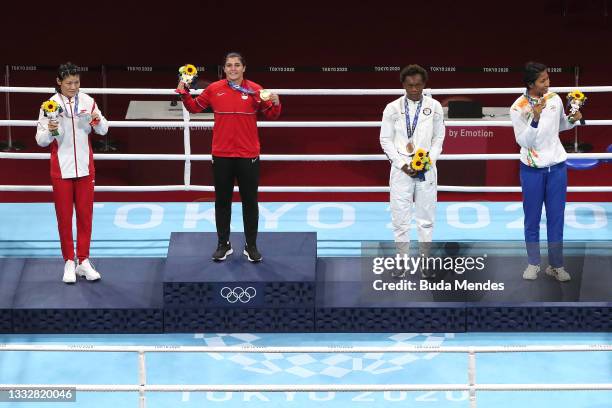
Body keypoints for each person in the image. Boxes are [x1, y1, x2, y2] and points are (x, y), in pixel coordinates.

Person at [176, 52, 281, 262]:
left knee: (250, 202)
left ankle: (251, 246)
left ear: (244, 68)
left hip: (248, 155)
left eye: (237, 65)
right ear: (224, 69)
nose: (233, 69)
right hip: (222, 154)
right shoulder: (214, 89)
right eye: (229, 65)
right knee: (222, 202)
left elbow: (272, 115)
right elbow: (194, 108)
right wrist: (184, 92)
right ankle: (223, 244)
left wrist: (276, 103)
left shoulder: (256, 90)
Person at [36, 62, 109, 283]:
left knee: (86, 216)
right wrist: (51, 129)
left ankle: (83, 261)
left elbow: (104, 129)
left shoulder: (87, 100)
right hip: (61, 168)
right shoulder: (49, 105)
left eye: (76, 82)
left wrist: (95, 120)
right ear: (59, 82)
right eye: (69, 83)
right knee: (64, 218)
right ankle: (69, 261)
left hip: (86, 168)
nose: (73, 87)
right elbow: (40, 141)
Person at [510, 62, 582, 282]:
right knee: (532, 219)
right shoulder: (518, 107)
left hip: (557, 167)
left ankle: (556, 265)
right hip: (531, 169)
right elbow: (523, 141)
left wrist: (573, 119)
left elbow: (560, 125)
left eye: (548, 78)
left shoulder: (555, 99)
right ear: (531, 83)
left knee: (556, 218)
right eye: (543, 80)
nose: (548, 83)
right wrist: (535, 119)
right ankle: (533, 263)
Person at [379, 64, 445, 278]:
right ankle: (401, 261)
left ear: (424, 84)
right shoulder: (392, 108)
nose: (414, 89)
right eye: (410, 85)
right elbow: (385, 140)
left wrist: (429, 161)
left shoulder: (434, 106)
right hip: (401, 169)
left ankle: (425, 261)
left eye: (418, 85)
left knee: (426, 218)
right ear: (403, 85)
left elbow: (439, 138)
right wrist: (403, 165)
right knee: (400, 217)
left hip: (427, 167)